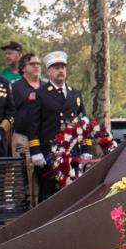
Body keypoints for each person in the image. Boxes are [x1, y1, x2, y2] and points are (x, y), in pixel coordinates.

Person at [32, 52, 85, 201]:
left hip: (71, 152)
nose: (60, 70)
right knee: (48, 194)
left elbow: (83, 123)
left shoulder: (75, 94)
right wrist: (35, 151)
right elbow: (33, 126)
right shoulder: (40, 94)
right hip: (48, 154)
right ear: (49, 72)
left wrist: (86, 148)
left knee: (72, 194)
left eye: (62, 67)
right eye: (56, 67)